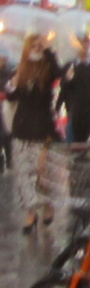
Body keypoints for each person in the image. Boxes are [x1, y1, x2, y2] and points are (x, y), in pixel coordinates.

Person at [5, 34, 62, 232]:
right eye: (34, 46)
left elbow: (58, 72)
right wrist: (12, 83)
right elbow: (11, 96)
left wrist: (48, 50)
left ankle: (48, 204)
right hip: (22, 129)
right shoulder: (21, 69)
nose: (37, 48)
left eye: (40, 46)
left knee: (41, 172)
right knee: (23, 173)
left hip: (42, 128)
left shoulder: (48, 69)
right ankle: (31, 213)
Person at [58, 33, 90, 142]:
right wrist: (68, 79)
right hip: (77, 113)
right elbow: (63, 90)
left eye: (86, 41)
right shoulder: (69, 66)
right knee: (79, 142)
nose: (83, 44)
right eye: (80, 41)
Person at [0, 52, 14, 171]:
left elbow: (13, 87)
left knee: (7, 133)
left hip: (7, 106)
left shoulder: (10, 71)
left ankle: (10, 159)